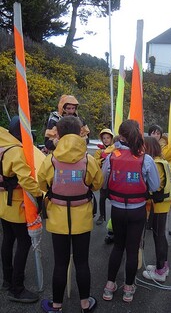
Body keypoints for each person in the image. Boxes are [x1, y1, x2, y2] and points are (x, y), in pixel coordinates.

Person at [38, 116, 103, 313]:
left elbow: (42, 183)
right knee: (82, 262)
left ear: (58, 133)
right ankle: (85, 304)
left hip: (57, 220)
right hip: (82, 219)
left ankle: (56, 305)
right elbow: (97, 183)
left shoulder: (51, 159)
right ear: (80, 132)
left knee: (60, 263)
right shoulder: (88, 159)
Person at [102, 119, 160, 303]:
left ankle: (109, 286)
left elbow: (103, 182)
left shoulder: (111, 156)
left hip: (117, 210)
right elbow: (155, 185)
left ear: (120, 136)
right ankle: (128, 289)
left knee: (118, 247)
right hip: (138, 211)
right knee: (132, 250)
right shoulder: (146, 159)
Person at [0, 116, 43, 303]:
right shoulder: (16, 151)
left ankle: (7, 281)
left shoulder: (2, 146)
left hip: (3, 205)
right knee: (23, 243)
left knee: (8, 240)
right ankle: (17, 288)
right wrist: (40, 193)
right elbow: (25, 179)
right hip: (17, 205)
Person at [142, 137, 171, 282]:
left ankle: (160, 271)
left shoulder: (155, 163)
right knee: (159, 235)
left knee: (159, 236)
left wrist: (143, 192)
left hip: (160, 204)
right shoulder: (162, 161)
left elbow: (156, 186)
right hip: (162, 203)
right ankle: (163, 265)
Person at [94, 128, 114, 225]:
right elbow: (95, 162)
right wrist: (102, 160)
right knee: (102, 197)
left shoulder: (115, 149)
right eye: (104, 138)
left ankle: (114, 216)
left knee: (114, 198)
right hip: (103, 176)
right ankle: (102, 215)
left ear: (111, 139)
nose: (106, 140)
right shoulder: (99, 151)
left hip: (112, 177)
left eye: (108, 138)